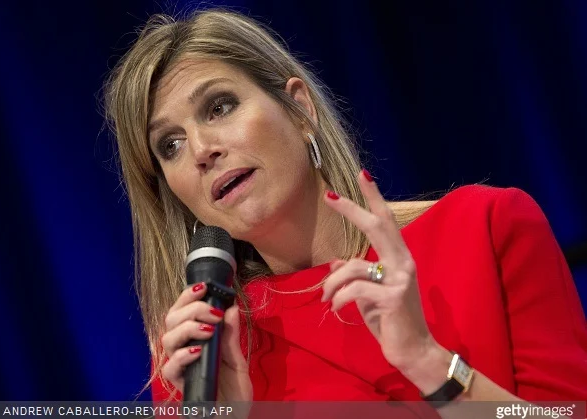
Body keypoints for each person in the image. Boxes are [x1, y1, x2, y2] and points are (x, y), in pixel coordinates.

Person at [103, 7, 587, 415]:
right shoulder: (199, 350)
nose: (202, 150)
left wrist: (426, 360)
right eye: (170, 145)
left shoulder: (486, 227)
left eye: (219, 106)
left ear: (299, 109)